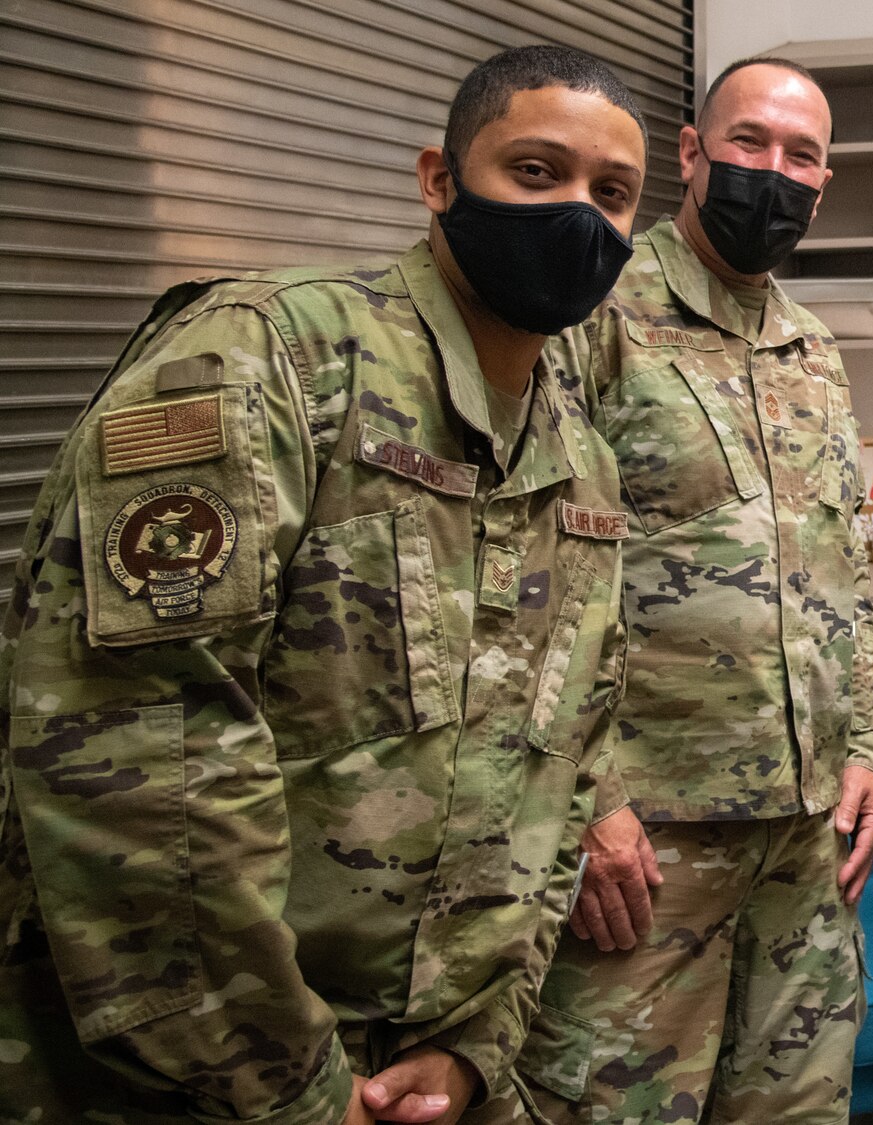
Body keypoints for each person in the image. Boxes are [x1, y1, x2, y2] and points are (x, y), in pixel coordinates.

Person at [0, 44, 650, 1125]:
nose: (579, 216)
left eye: (612, 194)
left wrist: (475, 1044)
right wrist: (290, 1087)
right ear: (437, 180)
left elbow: (564, 768)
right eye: (536, 173)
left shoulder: (576, 458)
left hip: (436, 1068)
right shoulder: (263, 361)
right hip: (194, 1078)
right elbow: (135, 761)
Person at [514, 56, 873, 1124]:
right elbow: (526, 574)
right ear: (691, 152)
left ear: (823, 183)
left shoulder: (814, 348)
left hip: (807, 835)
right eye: (749, 144)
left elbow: (839, 573)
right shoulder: (591, 314)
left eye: (802, 156)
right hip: (651, 838)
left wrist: (867, 743)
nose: (773, 172)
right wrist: (589, 802)